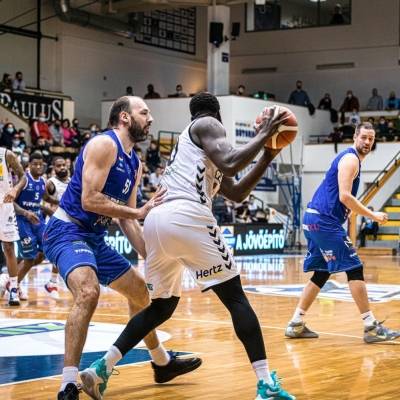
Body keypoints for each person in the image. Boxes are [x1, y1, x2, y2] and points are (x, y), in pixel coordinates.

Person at [83, 93, 295, 400]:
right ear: (216, 115)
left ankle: (102, 367)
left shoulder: (194, 150)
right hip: (187, 215)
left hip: (158, 222)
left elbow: (236, 192)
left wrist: (267, 156)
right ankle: (266, 384)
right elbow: (231, 163)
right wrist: (265, 133)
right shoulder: (207, 124)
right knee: (235, 297)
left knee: (162, 306)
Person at [42, 96, 201, 400]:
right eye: (144, 112)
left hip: (95, 238)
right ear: (125, 117)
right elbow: (90, 199)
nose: (150, 118)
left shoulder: (135, 163)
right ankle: (68, 383)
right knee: (88, 292)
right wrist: (138, 211)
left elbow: (128, 221)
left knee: (142, 293)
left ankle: (161, 363)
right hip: (67, 231)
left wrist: (155, 258)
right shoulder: (105, 144)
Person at [285, 122, 399, 343]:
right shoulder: (350, 159)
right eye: (363, 137)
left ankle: (296, 323)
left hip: (315, 219)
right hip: (323, 221)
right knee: (354, 268)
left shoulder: (351, 160)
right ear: (355, 137)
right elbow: (345, 196)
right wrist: (373, 215)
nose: (367, 142)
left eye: (371, 139)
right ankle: (371, 327)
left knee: (321, 273)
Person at [13, 152, 58, 300]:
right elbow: (10, 201)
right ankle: (14, 286)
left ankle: (11, 278)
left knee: (48, 248)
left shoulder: (43, 181)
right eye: (35, 164)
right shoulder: (24, 180)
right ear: (29, 165)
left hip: (38, 221)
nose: (38, 167)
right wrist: (25, 213)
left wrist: (61, 202)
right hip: (22, 221)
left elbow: (45, 198)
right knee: (29, 259)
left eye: (40, 164)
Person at [0, 147, 27, 305]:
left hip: (4, 205)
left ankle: (14, 289)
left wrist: (15, 189)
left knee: (9, 247)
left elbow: (23, 177)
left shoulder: (6, 154)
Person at [44, 156, 71, 299]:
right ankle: (10, 279)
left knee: (62, 253)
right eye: (58, 166)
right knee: (35, 257)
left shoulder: (72, 182)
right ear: (53, 168)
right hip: (53, 224)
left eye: (63, 165)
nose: (62, 168)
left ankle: (53, 282)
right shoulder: (51, 183)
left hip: (68, 223)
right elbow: (42, 201)